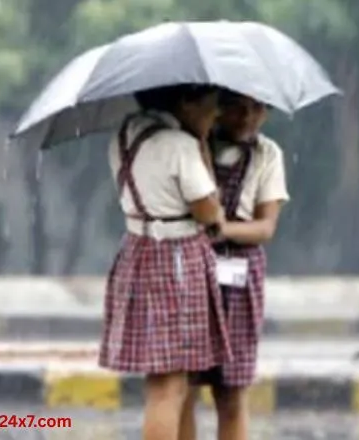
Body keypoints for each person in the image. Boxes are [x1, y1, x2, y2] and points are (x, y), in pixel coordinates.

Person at [99, 84, 233, 440]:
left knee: (171, 381)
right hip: (175, 259)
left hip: (137, 251)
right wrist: (202, 146)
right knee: (169, 387)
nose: (215, 114)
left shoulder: (124, 135)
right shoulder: (179, 146)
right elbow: (207, 211)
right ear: (185, 102)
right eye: (210, 105)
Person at [178, 91, 290, 440]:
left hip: (240, 277)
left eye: (258, 109)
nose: (247, 118)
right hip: (192, 272)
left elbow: (264, 227)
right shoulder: (190, 148)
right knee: (185, 386)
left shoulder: (267, 154)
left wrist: (221, 228)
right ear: (217, 108)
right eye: (237, 108)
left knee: (231, 390)